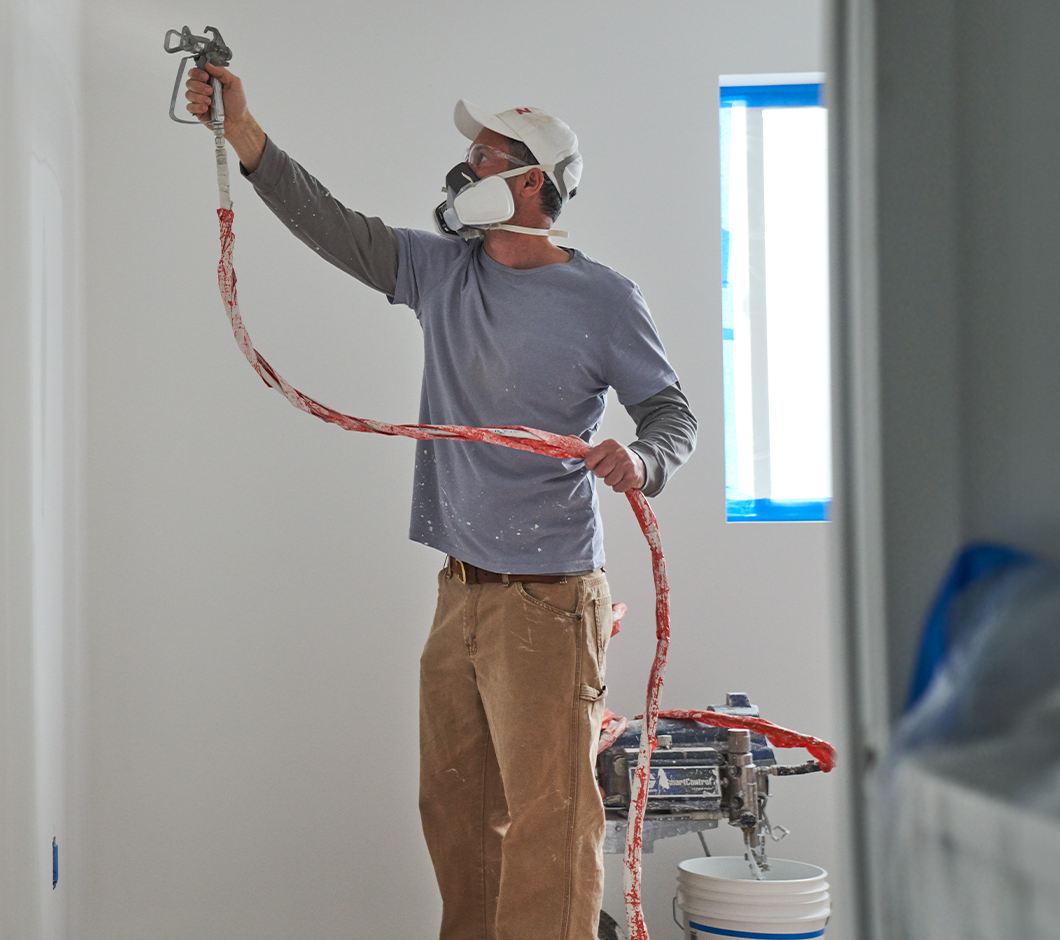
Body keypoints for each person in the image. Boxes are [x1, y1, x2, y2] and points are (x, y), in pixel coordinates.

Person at [184, 62, 697, 940]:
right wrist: (245, 134)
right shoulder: (441, 272)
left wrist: (643, 459)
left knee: (550, 821)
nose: (462, 174)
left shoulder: (604, 298)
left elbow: (670, 412)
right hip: (460, 590)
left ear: (530, 181)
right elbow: (334, 227)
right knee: (458, 814)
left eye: (482, 157)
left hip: (549, 597)